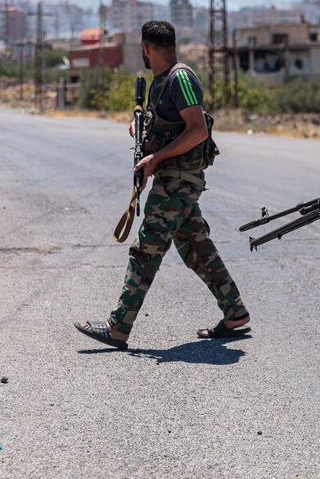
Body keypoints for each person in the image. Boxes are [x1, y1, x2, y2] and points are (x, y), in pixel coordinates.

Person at [75, 21, 251, 349]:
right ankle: (235, 312)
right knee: (196, 247)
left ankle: (118, 328)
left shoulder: (179, 77)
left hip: (178, 181)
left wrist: (155, 159)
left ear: (146, 48)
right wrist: (142, 127)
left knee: (147, 249)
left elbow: (197, 130)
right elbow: (171, 123)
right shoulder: (161, 81)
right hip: (174, 180)